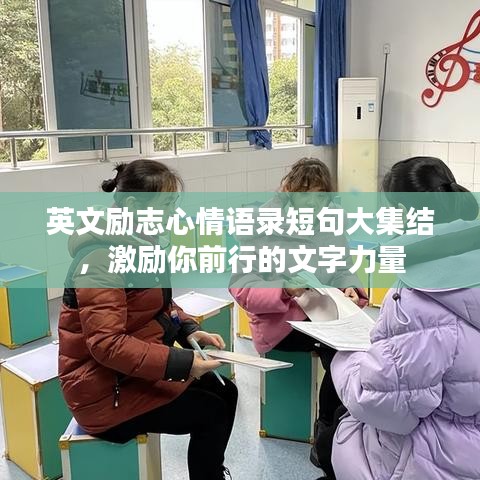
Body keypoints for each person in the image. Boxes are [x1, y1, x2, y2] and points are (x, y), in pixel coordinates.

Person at [58, 159, 237, 480]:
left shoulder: (140, 242)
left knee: (227, 392)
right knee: (212, 411)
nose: (172, 215)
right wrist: (183, 363)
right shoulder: (100, 259)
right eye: (165, 206)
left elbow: (158, 304)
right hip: (103, 392)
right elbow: (107, 345)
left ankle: (210, 473)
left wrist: (189, 329)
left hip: (130, 374)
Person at [321, 156, 480, 480]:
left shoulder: (418, 300)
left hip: (435, 456)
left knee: (332, 438)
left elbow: (380, 403)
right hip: (469, 437)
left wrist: (346, 354)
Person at [229, 158, 368, 468]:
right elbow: (241, 289)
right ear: (289, 191)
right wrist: (283, 289)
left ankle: (337, 427)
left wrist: (348, 286)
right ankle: (327, 434)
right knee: (340, 356)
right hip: (282, 324)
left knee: (355, 352)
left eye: (320, 195)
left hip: (324, 314)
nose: (313, 203)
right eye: (305, 193)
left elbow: (342, 267)